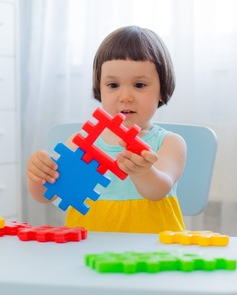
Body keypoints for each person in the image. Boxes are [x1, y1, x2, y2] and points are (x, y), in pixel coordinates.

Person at [26, 25, 187, 234]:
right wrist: (38, 174)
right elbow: (46, 195)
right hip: (89, 252)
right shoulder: (81, 143)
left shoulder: (169, 143)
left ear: (162, 91)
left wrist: (144, 172)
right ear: (99, 89)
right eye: (113, 85)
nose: (125, 96)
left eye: (139, 85)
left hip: (153, 253)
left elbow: (158, 190)